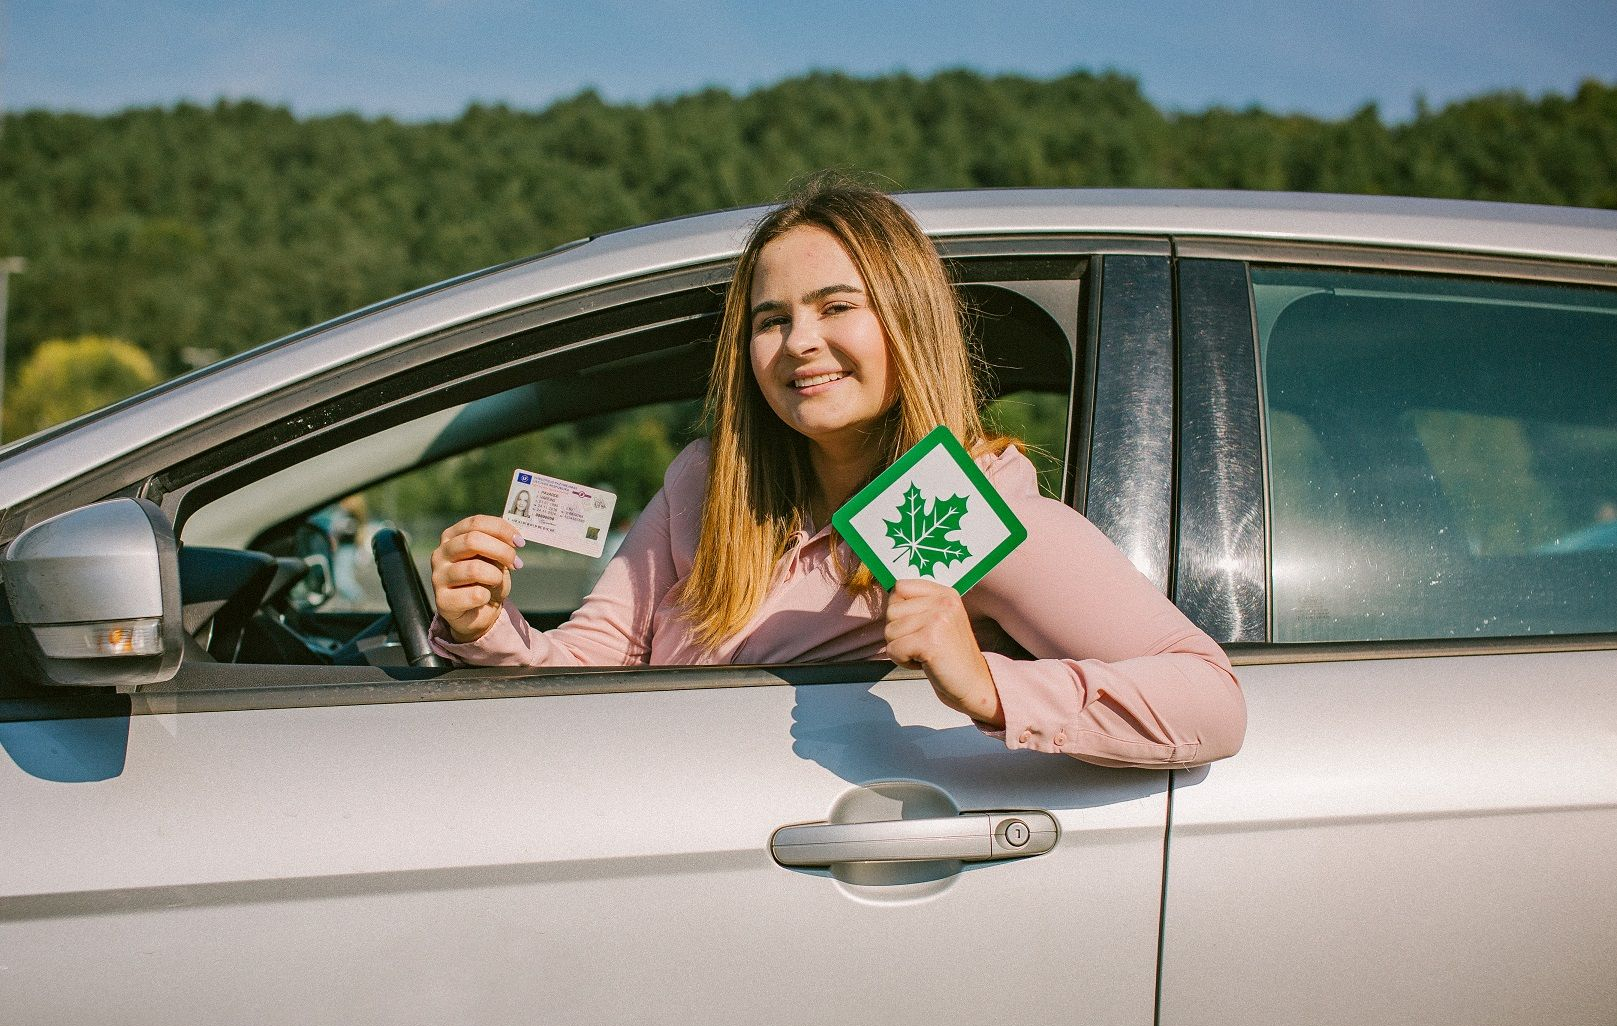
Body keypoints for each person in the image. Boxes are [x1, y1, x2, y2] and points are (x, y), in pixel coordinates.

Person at [428, 176, 1244, 768]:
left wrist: (988, 685)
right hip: (659, 835)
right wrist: (483, 627)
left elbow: (1210, 704)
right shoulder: (706, 485)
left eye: (836, 307)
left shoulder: (976, 513)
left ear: (905, 319)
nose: (800, 343)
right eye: (771, 320)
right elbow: (584, 674)